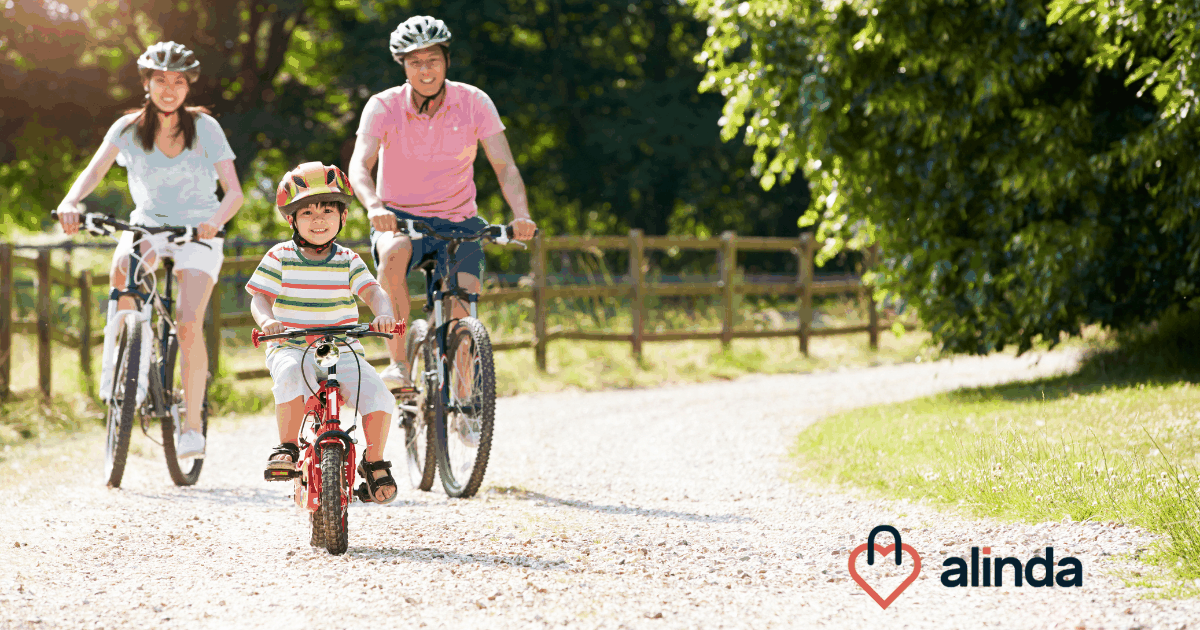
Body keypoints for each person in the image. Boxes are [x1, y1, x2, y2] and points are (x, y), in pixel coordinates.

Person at [56, 41, 242, 459]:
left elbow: (234, 192)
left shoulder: (205, 128)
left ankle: (192, 425)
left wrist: (215, 222)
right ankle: (124, 374)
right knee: (123, 266)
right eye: (161, 80)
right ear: (147, 84)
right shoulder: (127, 128)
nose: (169, 89)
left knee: (188, 322)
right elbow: (94, 170)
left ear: (188, 86)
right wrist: (72, 201)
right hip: (149, 224)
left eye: (178, 81)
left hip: (199, 228)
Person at [348, 15, 537, 390]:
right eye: (415, 61)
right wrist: (374, 206)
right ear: (402, 65)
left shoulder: (474, 102)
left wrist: (522, 215)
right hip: (399, 218)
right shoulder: (383, 106)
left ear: (446, 60)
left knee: (464, 297)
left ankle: (465, 393)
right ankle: (399, 363)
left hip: (460, 219)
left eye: (432, 59)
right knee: (394, 254)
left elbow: (505, 166)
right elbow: (359, 165)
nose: (425, 69)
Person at [246, 162, 400, 504]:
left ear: (343, 217)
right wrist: (268, 321)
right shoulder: (280, 256)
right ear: (292, 220)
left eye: (328, 210)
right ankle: (286, 446)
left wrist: (384, 314)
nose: (319, 220)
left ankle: (374, 462)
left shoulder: (348, 260)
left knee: (379, 395)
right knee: (288, 374)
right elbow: (260, 297)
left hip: (341, 346)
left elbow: (373, 292)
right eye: (308, 212)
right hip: (292, 345)